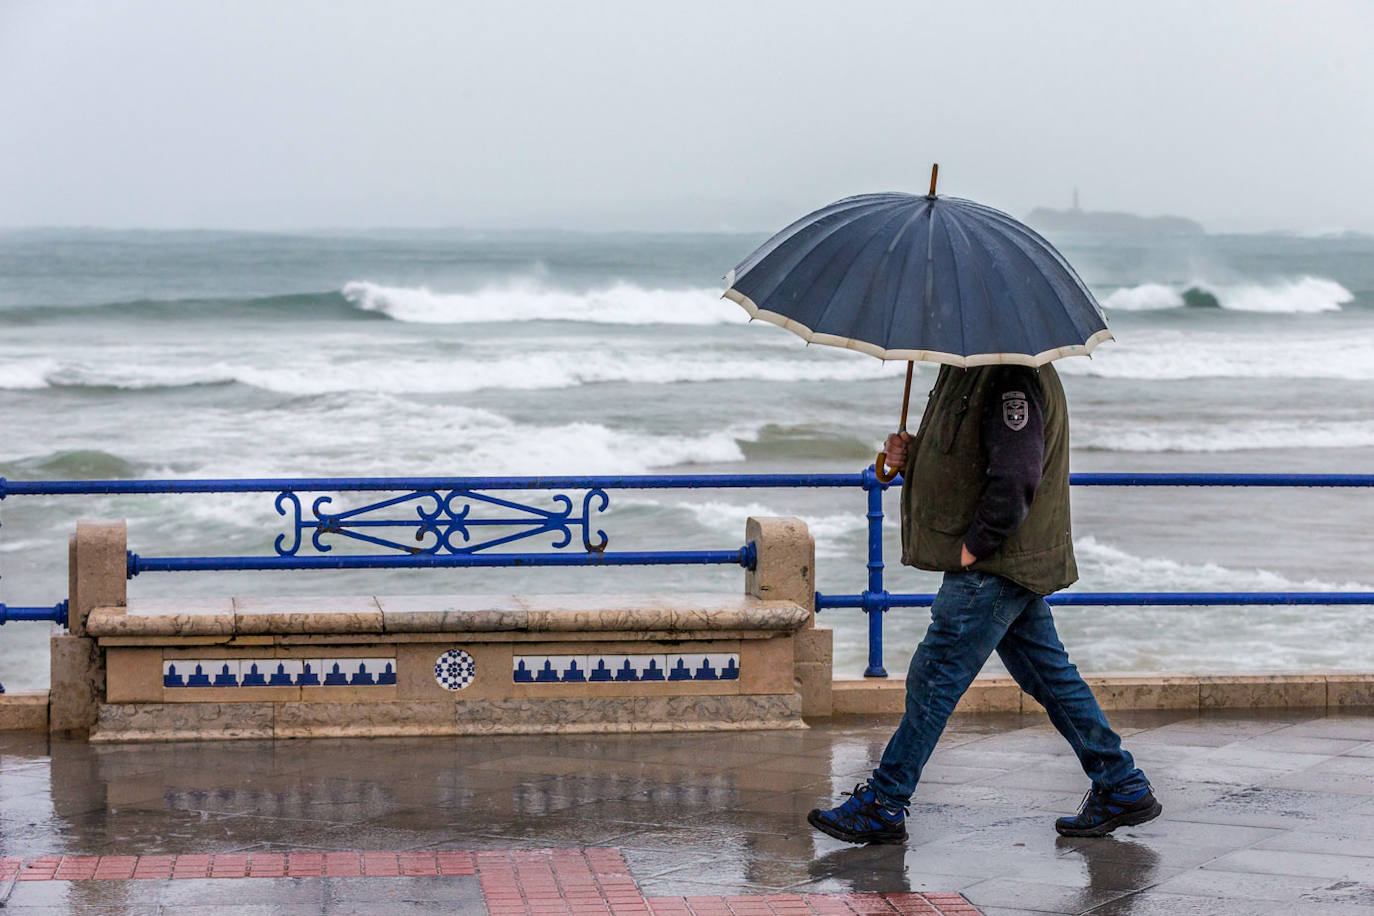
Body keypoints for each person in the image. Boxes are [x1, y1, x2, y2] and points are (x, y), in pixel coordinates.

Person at [807, 362, 1161, 844]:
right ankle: (1121, 783)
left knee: (933, 680)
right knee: (1049, 675)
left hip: (994, 564)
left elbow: (1017, 475)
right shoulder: (970, 370)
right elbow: (972, 457)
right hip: (1006, 562)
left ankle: (884, 801)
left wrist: (976, 546)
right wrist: (912, 455)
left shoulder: (1009, 376)